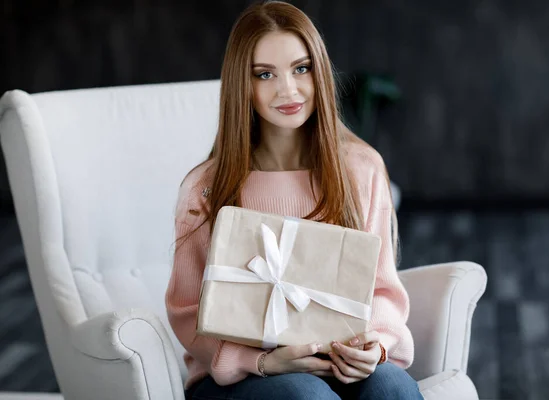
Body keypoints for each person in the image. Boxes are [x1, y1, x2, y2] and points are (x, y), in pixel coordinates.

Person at [165, 1, 423, 399]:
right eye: (265, 74)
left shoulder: (361, 168)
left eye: (301, 68)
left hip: (336, 363)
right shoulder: (204, 186)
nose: (288, 89)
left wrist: (377, 347)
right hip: (238, 380)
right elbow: (186, 310)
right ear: (242, 85)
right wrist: (262, 362)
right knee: (306, 395)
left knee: (392, 387)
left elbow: (383, 291)